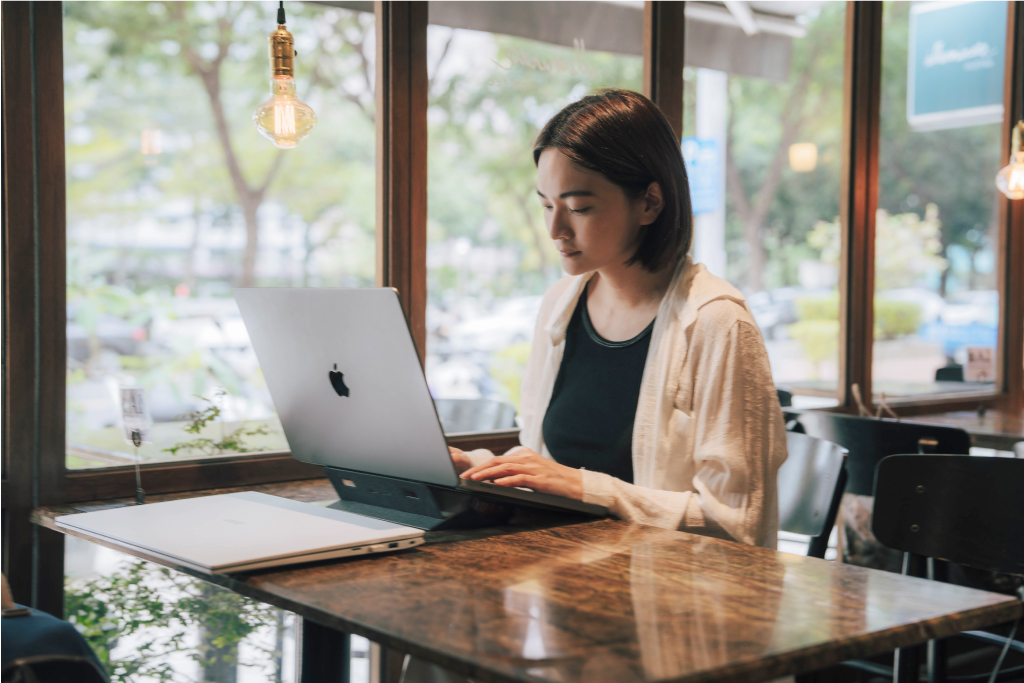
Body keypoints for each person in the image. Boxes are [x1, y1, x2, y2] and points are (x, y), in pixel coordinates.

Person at [450, 89, 788, 549]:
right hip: (566, 570)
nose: (555, 229)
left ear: (650, 202)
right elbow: (548, 466)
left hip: (668, 588)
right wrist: (482, 469)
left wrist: (587, 488)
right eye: (547, 205)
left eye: (579, 208)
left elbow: (739, 522)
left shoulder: (718, 324)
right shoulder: (560, 305)